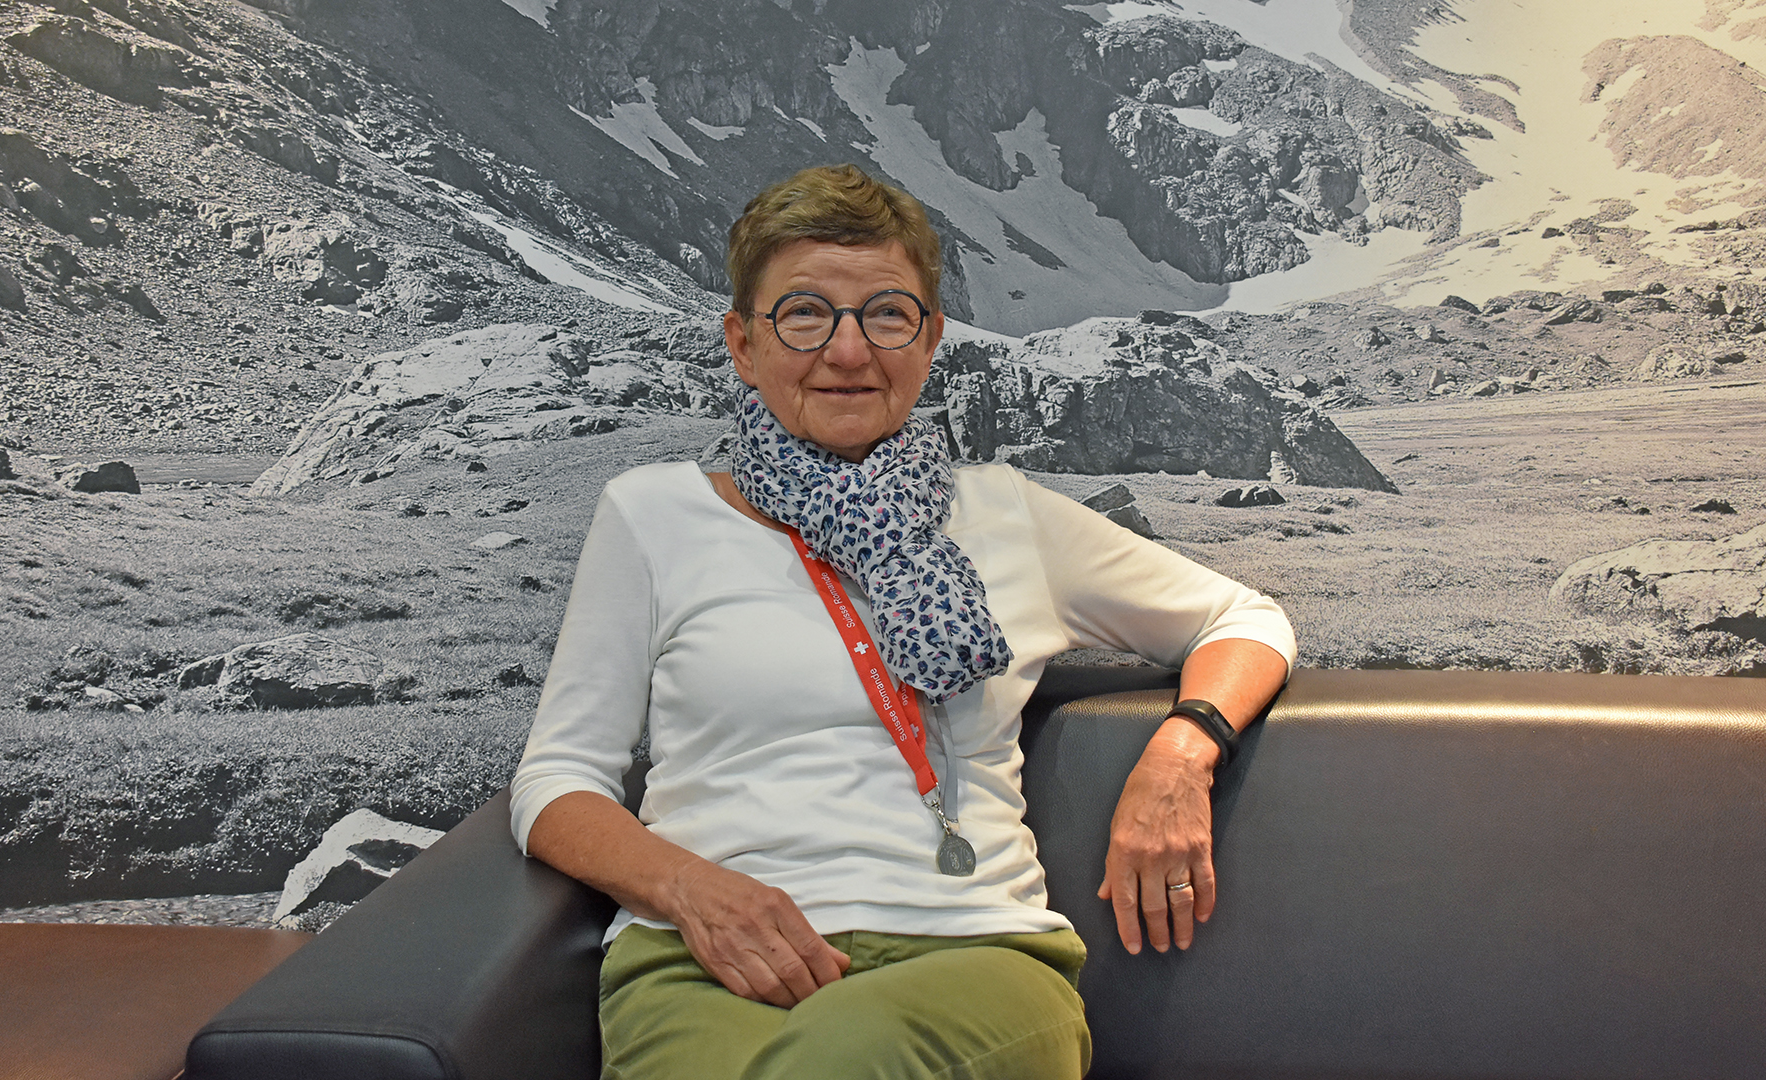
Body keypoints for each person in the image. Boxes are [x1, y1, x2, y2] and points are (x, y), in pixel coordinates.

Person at [511, 164, 1293, 1080]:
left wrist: (1178, 759)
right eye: (805, 314)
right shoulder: (651, 515)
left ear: (930, 341)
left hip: (971, 953)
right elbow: (557, 781)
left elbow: (1245, 619)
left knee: (844, 1061)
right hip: (705, 963)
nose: (849, 352)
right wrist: (690, 890)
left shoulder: (1008, 515)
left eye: (887, 314)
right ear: (741, 342)